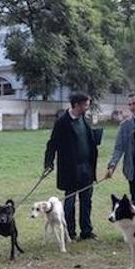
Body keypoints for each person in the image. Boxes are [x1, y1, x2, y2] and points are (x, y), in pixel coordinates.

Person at [44, 92, 100, 240]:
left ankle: (86, 231)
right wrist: (48, 163)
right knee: (69, 202)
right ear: (77, 105)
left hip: (86, 168)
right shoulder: (62, 122)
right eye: (86, 105)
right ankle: (71, 233)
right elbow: (52, 144)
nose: (87, 107)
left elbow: (87, 139)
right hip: (70, 170)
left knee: (86, 201)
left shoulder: (84, 119)